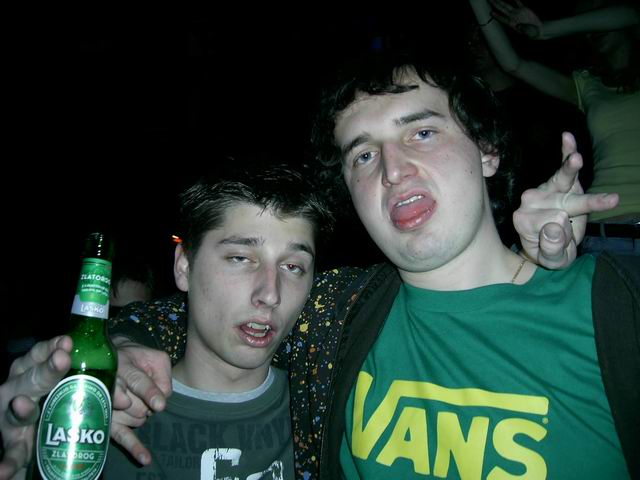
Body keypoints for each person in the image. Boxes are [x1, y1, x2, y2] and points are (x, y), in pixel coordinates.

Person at [0, 61, 624, 480]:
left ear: (487, 150)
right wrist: (111, 351)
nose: (393, 169)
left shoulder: (614, 310)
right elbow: (192, 316)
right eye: (363, 155)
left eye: (422, 132)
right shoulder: (342, 313)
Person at [0, 163, 333, 479]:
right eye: (240, 258)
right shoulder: (91, 420)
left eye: (293, 267)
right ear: (184, 267)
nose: (270, 294)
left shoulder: (323, 416)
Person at [468, 0, 640, 255]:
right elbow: (513, 64)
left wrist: (548, 29)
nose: (591, 30)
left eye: (595, 16)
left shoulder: (628, 16)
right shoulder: (588, 85)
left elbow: (632, 14)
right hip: (601, 232)